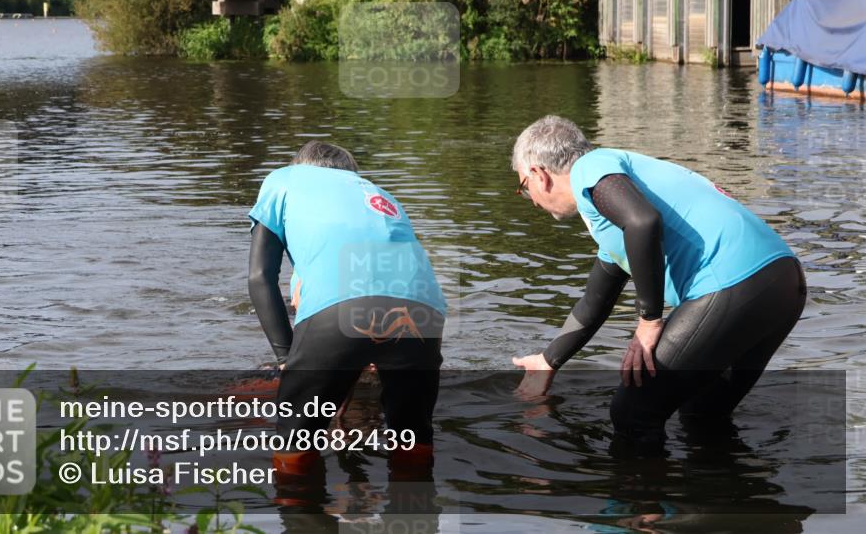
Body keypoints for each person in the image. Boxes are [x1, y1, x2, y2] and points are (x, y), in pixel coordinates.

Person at [510, 116, 805, 450]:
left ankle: (641, 500)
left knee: (633, 413)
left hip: (735, 282)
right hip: (783, 283)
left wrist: (648, 320)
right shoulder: (613, 209)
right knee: (701, 414)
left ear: (539, 174)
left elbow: (643, 222)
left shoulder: (590, 168)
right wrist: (548, 361)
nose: (531, 200)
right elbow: (595, 301)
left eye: (523, 188)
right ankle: (722, 497)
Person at [248, 141, 446, 479]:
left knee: (295, 447)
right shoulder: (377, 194)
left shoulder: (282, 180)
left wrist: (287, 358)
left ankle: (301, 507)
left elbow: (260, 277)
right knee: (413, 440)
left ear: (301, 166)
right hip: (424, 307)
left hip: (337, 311)